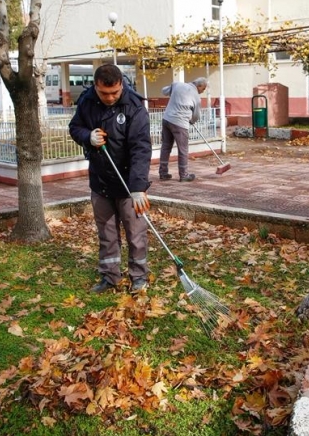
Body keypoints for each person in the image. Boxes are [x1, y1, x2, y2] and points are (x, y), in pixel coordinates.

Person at [69, 64, 152, 294]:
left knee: (135, 234)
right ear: (96, 86)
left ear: (121, 85)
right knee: (106, 233)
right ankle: (110, 276)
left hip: (128, 185)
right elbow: (75, 127)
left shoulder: (134, 107)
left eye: (114, 92)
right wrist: (88, 136)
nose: (110, 98)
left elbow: (141, 149)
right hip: (100, 181)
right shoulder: (87, 101)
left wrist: (138, 187)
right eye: (104, 93)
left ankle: (139, 277)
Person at [158, 77, 208, 182]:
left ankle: (163, 173)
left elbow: (164, 91)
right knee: (183, 150)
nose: (202, 92)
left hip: (167, 119)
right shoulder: (196, 97)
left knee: (166, 147)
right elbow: (196, 115)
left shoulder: (177, 85)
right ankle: (184, 175)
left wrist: (173, 90)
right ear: (198, 86)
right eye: (203, 89)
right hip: (180, 123)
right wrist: (192, 121)